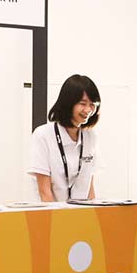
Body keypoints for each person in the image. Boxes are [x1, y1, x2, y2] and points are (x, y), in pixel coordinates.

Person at [28, 74, 100, 202]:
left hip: (82, 212)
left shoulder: (90, 136)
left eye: (92, 104)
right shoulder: (43, 135)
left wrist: (93, 210)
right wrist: (58, 214)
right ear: (68, 103)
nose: (88, 110)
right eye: (83, 103)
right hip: (52, 211)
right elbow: (44, 192)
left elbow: (90, 186)